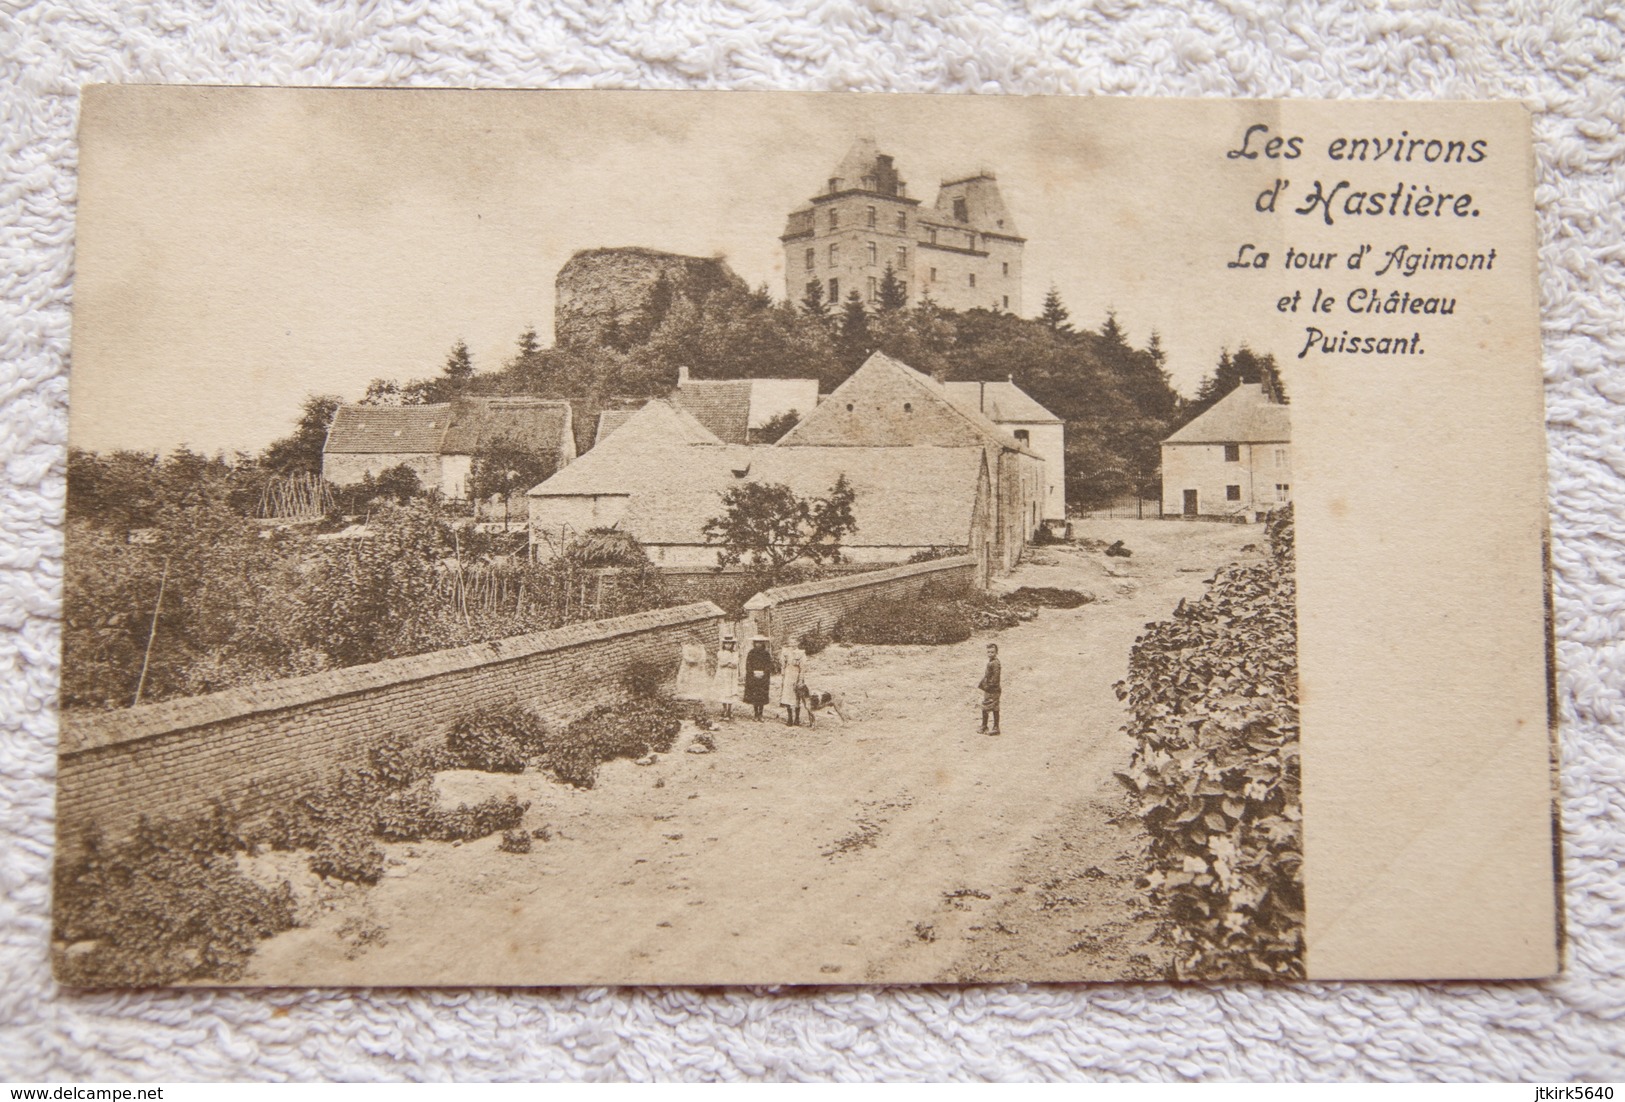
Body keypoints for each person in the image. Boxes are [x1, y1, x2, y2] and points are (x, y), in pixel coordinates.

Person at [778, 635, 808, 727]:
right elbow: (782, 664)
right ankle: (789, 718)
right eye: (791, 642)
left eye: (794, 642)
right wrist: (783, 674)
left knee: (796, 697)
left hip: (796, 675)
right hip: (788, 676)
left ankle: (797, 719)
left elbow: (803, 668)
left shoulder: (801, 653)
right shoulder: (785, 652)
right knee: (787, 697)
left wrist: (800, 679)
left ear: (797, 643)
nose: (792, 644)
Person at [711, 632, 741, 720]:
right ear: (724, 644)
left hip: (731, 675)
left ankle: (729, 710)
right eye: (727, 643)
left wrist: (728, 663)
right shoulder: (721, 653)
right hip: (723, 675)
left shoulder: (735, 653)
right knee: (723, 691)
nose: (728, 645)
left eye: (730, 644)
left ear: (733, 644)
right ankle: (724, 709)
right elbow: (721, 663)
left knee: (730, 691)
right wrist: (728, 663)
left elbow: (735, 664)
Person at [743, 635, 773, 721]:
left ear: (762, 643)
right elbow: (748, 664)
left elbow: (769, 665)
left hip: (763, 677)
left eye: (760, 642)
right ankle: (756, 713)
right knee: (755, 695)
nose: (758, 644)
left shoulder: (766, 654)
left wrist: (764, 672)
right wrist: (753, 672)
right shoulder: (751, 653)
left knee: (762, 695)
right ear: (754, 643)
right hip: (753, 677)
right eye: (756, 642)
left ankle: (761, 714)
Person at [978, 643, 1001, 736]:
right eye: (988, 652)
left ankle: (994, 727)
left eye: (992, 652)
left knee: (993, 707)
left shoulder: (995, 663)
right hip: (989, 688)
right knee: (987, 706)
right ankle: (985, 726)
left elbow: (996, 678)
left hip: (993, 689)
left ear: (996, 652)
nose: (990, 654)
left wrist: (989, 686)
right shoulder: (991, 662)